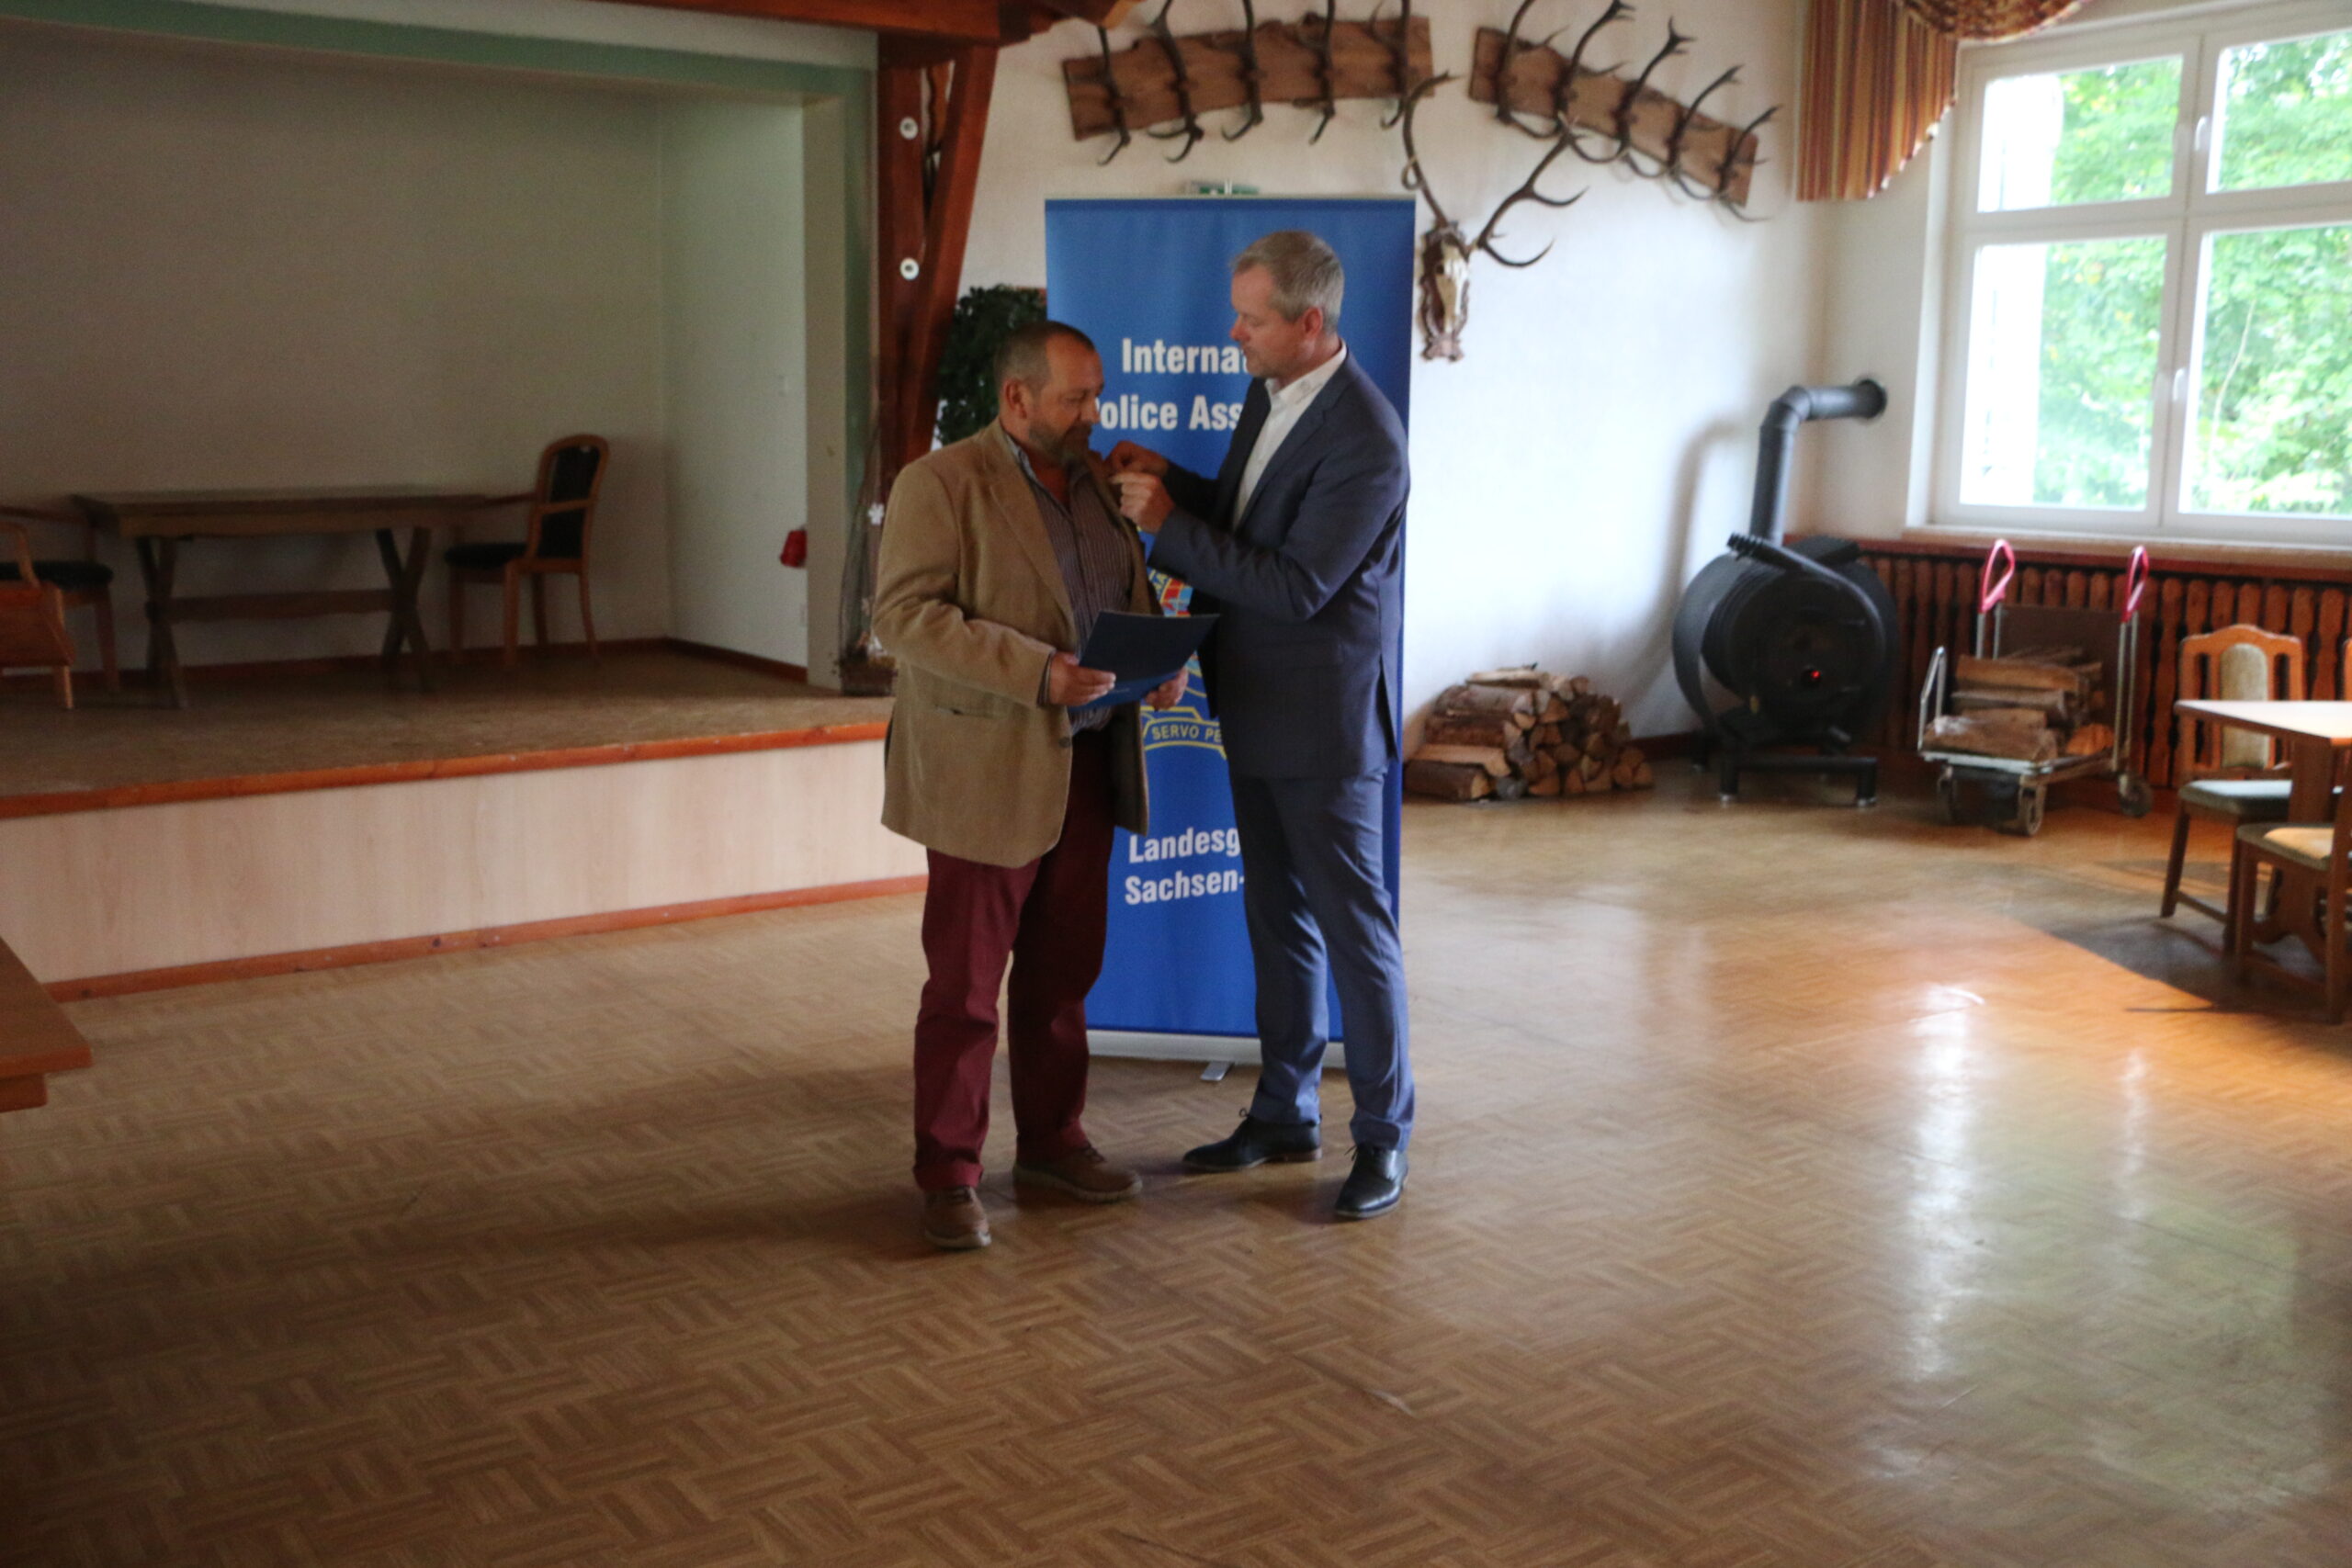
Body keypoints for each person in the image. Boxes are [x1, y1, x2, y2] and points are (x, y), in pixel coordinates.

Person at [1107, 230, 1414, 1222]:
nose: (1232, 332)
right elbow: (1248, 524)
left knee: (1355, 935)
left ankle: (1382, 1136)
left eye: (1250, 318)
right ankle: (1284, 1111)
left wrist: (1166, 523)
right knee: (1275, 921)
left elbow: (1296, 585)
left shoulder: (1366, 439)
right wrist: (1175, 483)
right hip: (1253, 704)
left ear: (1308, 321)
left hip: (1325, 726)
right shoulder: (1269, 392)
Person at [874, 320, 1184, 1252]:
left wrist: (1155, 660)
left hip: (1088, 764)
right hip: (986, 770)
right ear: (1016, 398)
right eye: (1075, 397)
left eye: (1097, 393)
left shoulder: (1098, 482)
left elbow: (1123, 593)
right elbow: (905, 617)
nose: (1095, 412)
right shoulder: (939, 483)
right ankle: (949, 1175)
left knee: (1061, 977)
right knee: (965, 991)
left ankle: (1053, 1143)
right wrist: (1037, 671)